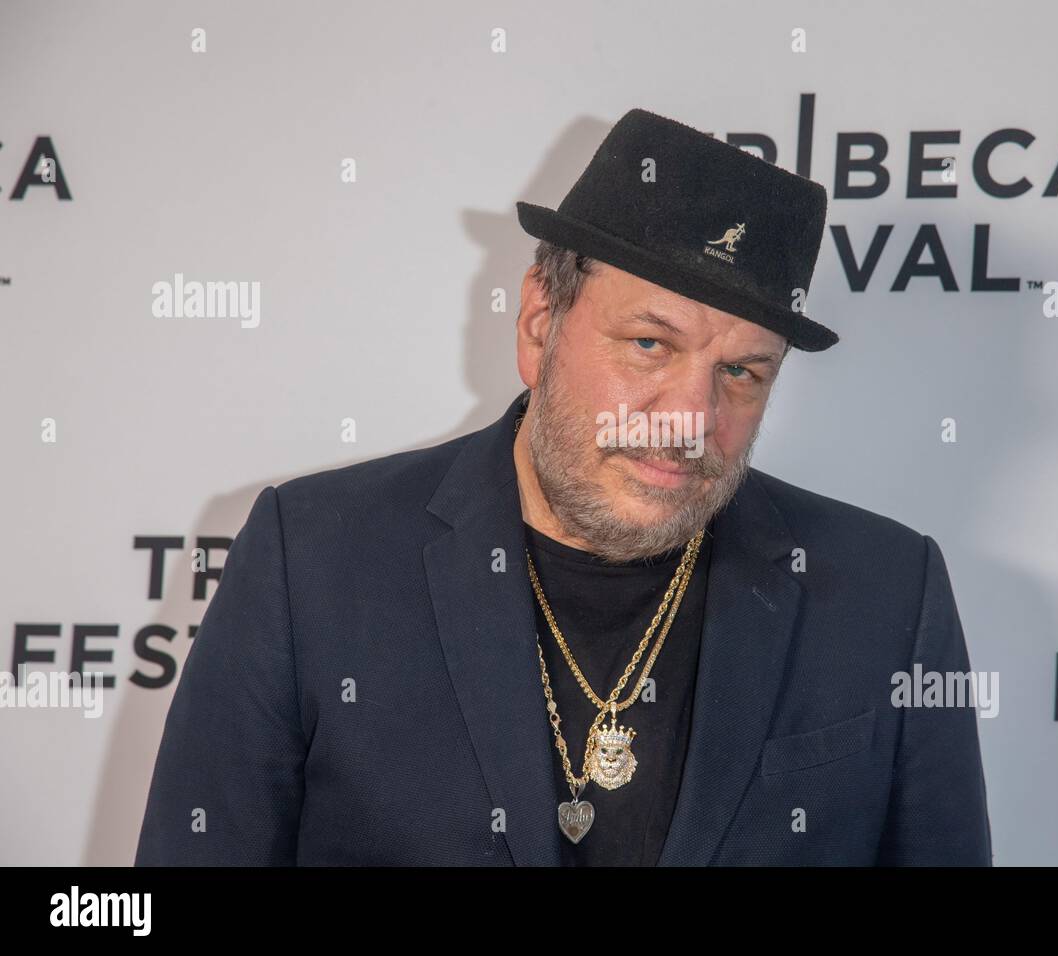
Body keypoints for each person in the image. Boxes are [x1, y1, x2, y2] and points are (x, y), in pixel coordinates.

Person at [135, 107, 993, 866]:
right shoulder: (314, 557)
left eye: (741, 371)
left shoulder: (884, 594)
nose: (690, 418)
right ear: (541, 322)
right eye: (649, 345)